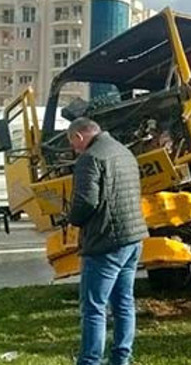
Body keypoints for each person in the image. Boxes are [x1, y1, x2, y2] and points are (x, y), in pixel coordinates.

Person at [66, 117, 149, 365]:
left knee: (94, 307)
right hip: (133, 238)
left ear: (79, 137)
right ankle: (121, 358)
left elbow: (86, 202)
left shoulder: (90, 159)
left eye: (73, 143)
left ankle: (90, 361)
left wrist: (72, 219)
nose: (74, 149)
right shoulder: (125, 152)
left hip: (105, 242)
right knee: (124, 302)